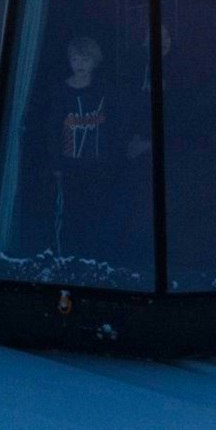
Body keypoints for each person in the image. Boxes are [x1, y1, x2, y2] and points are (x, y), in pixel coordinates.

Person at [49, 35, 150, 275]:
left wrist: (118, 150)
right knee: (71, 213)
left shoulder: (105, 90)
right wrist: (55, 164)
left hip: (99, 165)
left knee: (100, 212)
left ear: (94, 61)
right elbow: (52, 129)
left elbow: (120, 120)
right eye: (75, 59)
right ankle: (69, 263)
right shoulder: (61, 92)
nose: (80, 64)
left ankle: (97, 262)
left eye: (85, 59)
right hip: (71, 165)